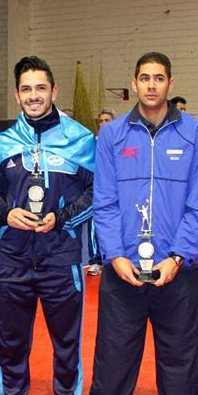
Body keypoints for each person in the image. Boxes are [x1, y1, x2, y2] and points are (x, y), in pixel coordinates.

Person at [78, 52, 198, 395]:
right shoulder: (112, 135)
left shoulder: (195, 133)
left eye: (159, 78)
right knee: (114, 347)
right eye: (144, 78)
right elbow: (104, 202)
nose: (151, 85)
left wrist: (180, 256)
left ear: (170, 84)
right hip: (125, 266)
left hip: (176, 265)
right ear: (133, 84)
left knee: (182, 349)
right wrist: (114, 256)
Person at [0, 56, 95, 395]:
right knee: (11, 343)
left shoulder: (81, 139)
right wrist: (4, 213)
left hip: (61, 260)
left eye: (40, 88)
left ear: (54, 91)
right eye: (26, 89)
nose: (33, 96)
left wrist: (61, 218)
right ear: (17, 94)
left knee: (67, 344)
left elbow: (98, 193)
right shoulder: (4, 143)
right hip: (12, 260)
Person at [84, 109, 115, 275]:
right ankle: (95, 261)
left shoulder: (120, 142)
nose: (104, 123)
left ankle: (113, 259)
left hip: (116, 192)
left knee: (116, 225)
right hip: (96, 191)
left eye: (107, 120)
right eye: (101, 120)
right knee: (94, 227)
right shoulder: (91, 144)